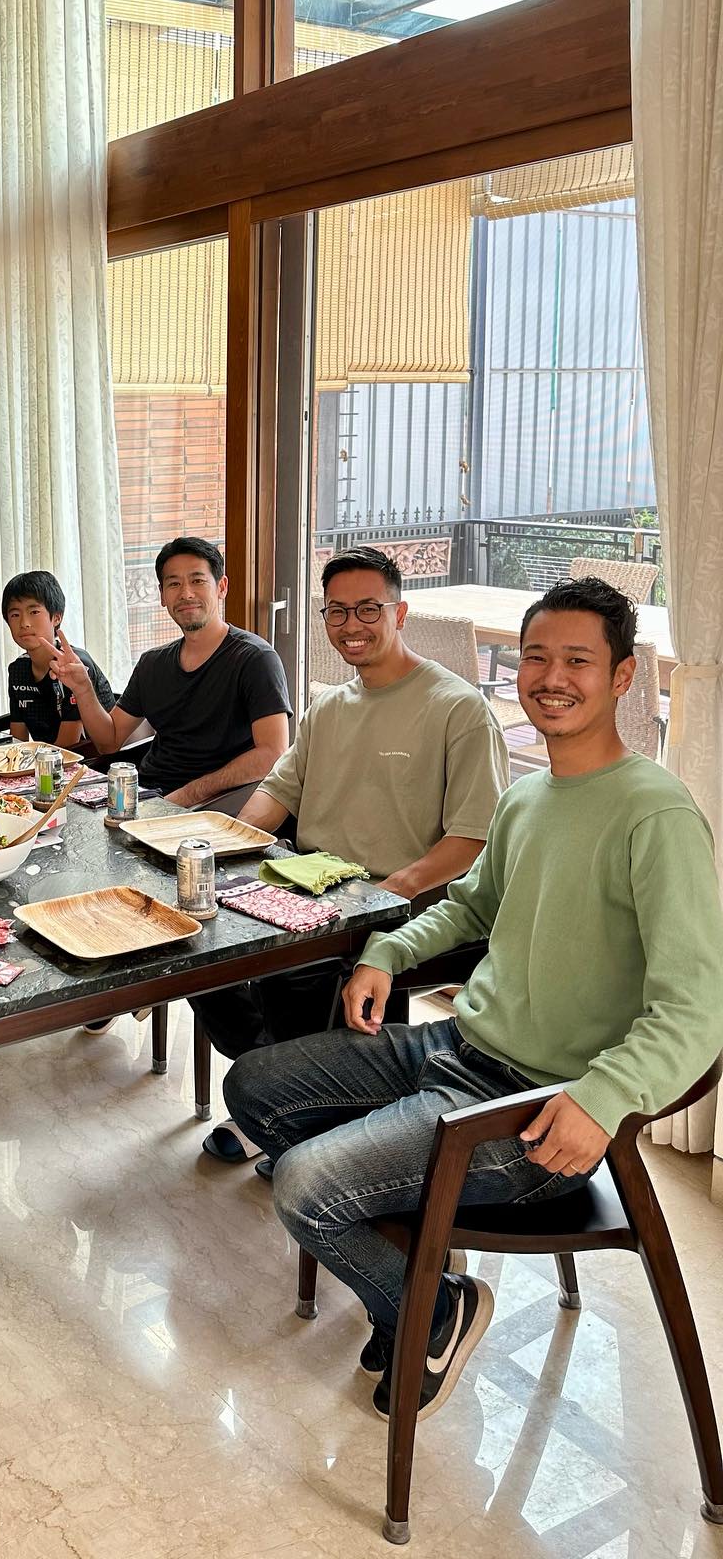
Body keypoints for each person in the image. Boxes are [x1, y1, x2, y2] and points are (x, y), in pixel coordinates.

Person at [224, 577, 723, 1422]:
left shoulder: (655, 813)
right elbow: (468, 907)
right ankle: (410, 1279)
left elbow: (697, 1007)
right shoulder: (528, 796)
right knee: (254, 1087)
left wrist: (603, 1097)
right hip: (456, 1048)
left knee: (306, 1186)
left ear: (623, 676)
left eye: (578, 661)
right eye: (536, 658)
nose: (551, 678)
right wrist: (388, 952)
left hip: (539, 1110)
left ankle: (432, 1307)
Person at [196, 546, 509, 1162]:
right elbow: (277, 793)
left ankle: (293, 1108)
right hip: (312, 881)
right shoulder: (330, 707)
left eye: (368, 609)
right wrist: (224, 848)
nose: (350, 625)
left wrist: (392, 889)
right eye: (336, 612)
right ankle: (277, 1091)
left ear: (400, 613)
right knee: (201, 939)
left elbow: (474, 838)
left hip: (406, 896)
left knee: (298, 965)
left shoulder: (457, 708)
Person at [55, 536, 291, 806]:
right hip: (144, 796)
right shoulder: (152, 664)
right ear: (162, 595)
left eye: (197, 580)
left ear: (221, 587)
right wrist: (83, 688)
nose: (186, 593)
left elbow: (272, 753)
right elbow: (109, 741)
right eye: (174, 583)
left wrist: (189, 795)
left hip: (211, 806)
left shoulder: (255, 659)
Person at [2, 569, 114, 747]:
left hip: (92, 759)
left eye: (34, 612)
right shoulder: (18, 669)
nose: (24, 623)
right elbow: (18, 740)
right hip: (46, 758)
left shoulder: (74, 665)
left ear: (56, 617)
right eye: (15, 615)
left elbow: (68, 746)